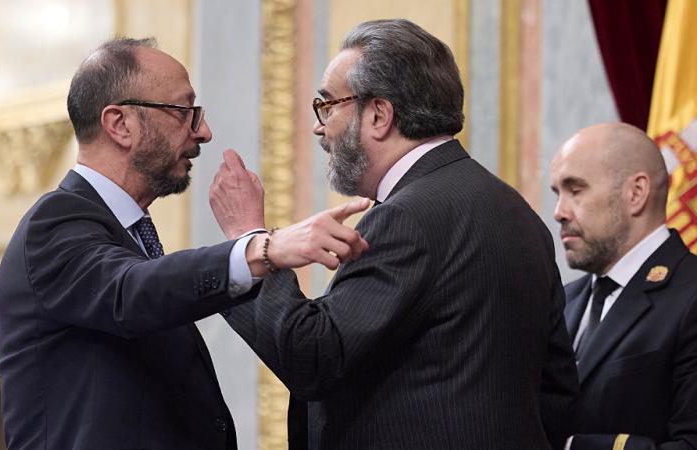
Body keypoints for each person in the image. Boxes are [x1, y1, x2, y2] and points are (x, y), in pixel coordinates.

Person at [209, 19, 578, 450]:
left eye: (328, 105)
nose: (318, 127)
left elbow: (312, 356)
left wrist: (253, 243)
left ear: (379, 115)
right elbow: (556, 393)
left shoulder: (409, 217)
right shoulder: (517, 211)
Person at [0, 37, 368, 450]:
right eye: (182, 112)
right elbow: (130, 291)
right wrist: (261, 248)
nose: (203, 132)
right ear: (120, 124)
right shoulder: (53, 223)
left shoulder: (127, 233)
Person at [550, 122, 697, 450]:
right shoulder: (564, 300)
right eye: (557, 193)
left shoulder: (690, 295)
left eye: (575, 190)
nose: (559, 212)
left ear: (636, 193)